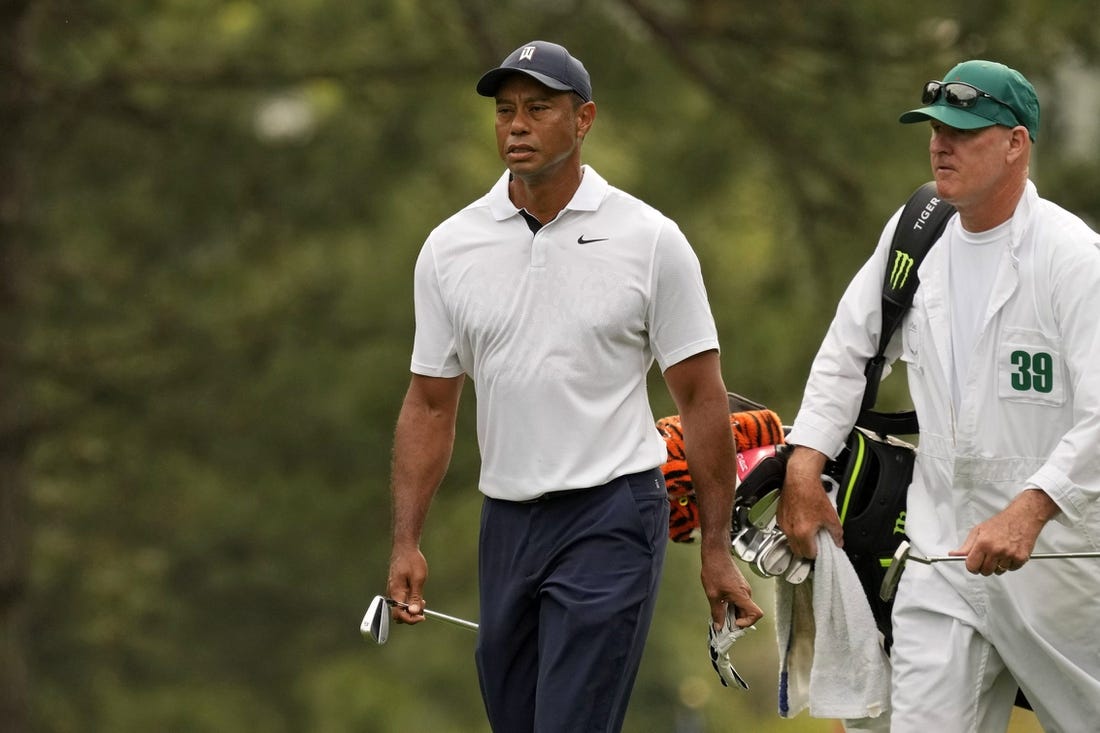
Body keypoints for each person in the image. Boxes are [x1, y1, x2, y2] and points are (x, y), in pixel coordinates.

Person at [385, 40, 763, 733]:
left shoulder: (650, 239)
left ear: (583, 119)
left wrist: (715, 548)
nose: (517, 125)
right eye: (505, 111)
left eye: (538, 108)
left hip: (611, 513)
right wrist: (406, 539)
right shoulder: (449, 247)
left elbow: (703, 397)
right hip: (506, 521)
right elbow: (430, 402)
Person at [777, 59, 1100, 732]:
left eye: (963, 130)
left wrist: (1031, 507)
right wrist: (804, 466)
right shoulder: (915, 233)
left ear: (1017, 143)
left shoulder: (1074, 257)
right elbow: (848, 353)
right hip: (939, 559)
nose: (940, 144)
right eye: (933, 129)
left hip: (1063, 565)